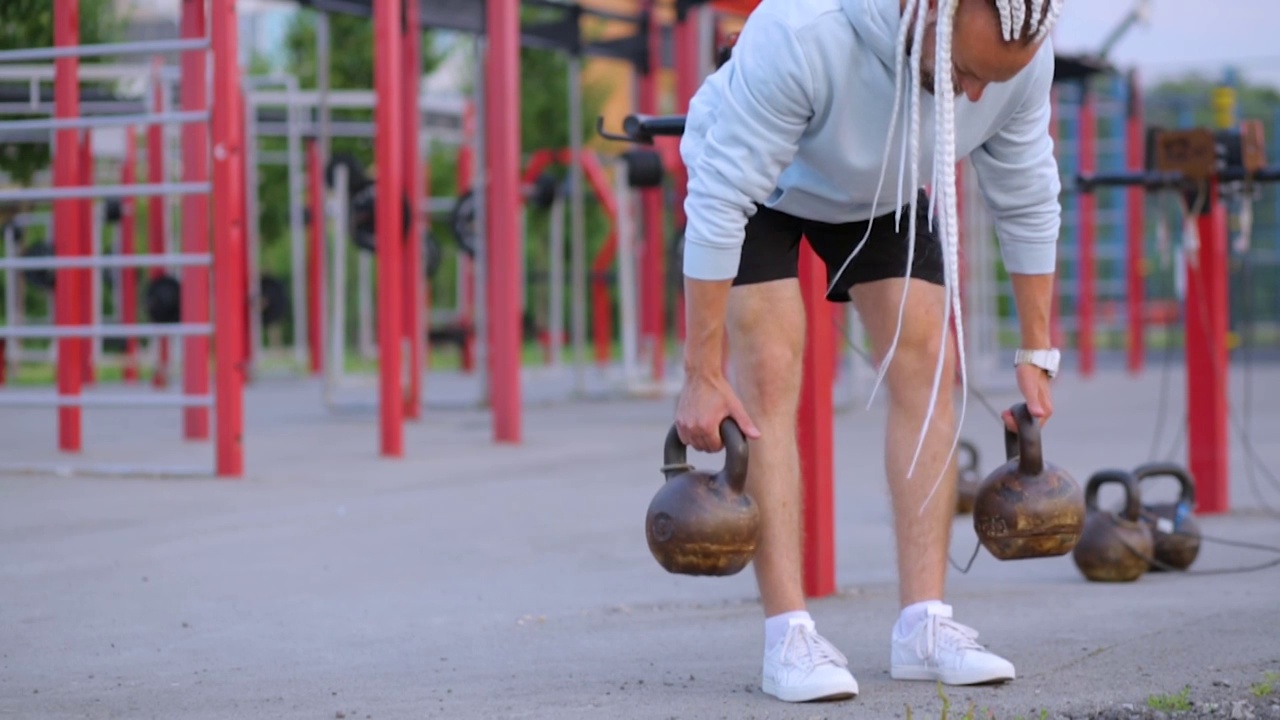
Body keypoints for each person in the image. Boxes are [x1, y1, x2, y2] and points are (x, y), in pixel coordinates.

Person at [674, 0, 1066, 704]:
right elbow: (720, 200)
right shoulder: (804, 34)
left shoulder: (1018, 59)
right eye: (963, 72)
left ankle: (924, 624)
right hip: (764, 184)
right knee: (769, 370)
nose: (975, 95)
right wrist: (700, 374)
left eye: (991, 81)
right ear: (928, 17)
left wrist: (1038, 349)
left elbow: (1028, 192)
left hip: (883, 183)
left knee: (931, 362)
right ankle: (787, 634)